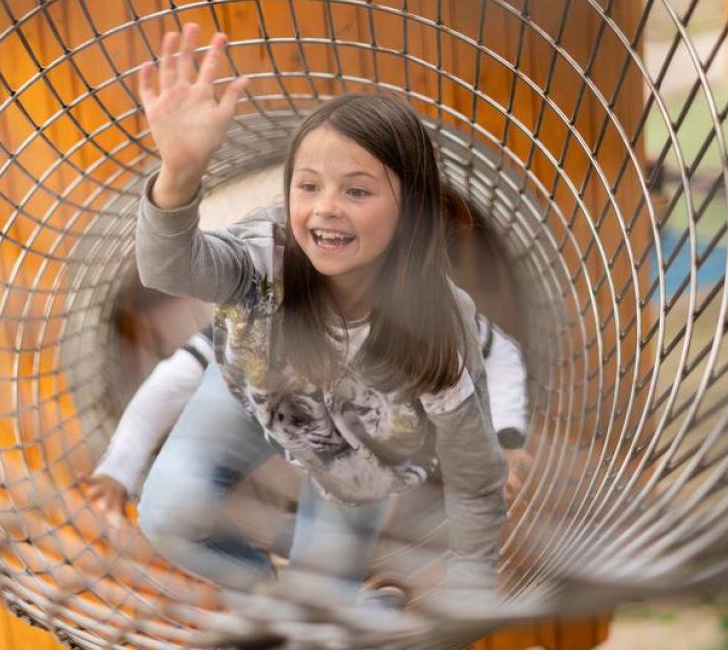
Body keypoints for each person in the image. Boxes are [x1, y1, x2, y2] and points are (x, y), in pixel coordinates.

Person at [130, 24, 509, 607]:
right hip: (257, 389)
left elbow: (474, 474)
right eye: (308, 186)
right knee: (167, 513)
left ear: (411, 209)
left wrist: (473, 577)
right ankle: (275, 599)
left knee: (318, 599)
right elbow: (171, 269)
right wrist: (179, 174)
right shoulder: (265, 255)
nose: (325, 208)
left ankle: (328, 609)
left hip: (363, 449)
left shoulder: (437, 327)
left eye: (358, 191)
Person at [87, 313, 532, 531]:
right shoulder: (255, 321)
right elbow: (176, 377)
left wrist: (506, 437)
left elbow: (501, 354)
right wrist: (119, 466)